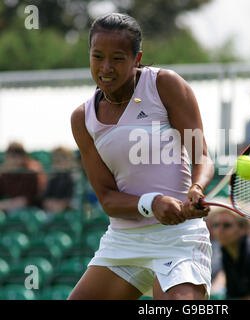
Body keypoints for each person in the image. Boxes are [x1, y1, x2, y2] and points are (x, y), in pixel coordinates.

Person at [68, 13, 214, 300]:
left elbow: (202, 157)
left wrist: (196, 189)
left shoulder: (165, 85)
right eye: (98, 56)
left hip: (178, 239)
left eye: (118, 58)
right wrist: (153, 203)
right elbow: (108, 199)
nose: (105, 67)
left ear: (137, 58)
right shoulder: (82, 118)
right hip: (123, 241)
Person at [0, 142, 47, 212]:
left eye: (17, 156)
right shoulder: (5, 174)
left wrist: (8, 204)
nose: (14, 160)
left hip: (32, 211)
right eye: (11, 156)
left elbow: (28, 200)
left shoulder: (31, 172)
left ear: (24, 157)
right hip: (10, 209)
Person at [42, 147, 75, 214]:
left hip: (69, 214)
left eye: (61, 159)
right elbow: (45, 199)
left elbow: (73, 201)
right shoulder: (52, 180)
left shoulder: (74, 178)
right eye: (56, 159)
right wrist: (52, 204)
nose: (58, 162)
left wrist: (61, 205)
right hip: (51, 212)